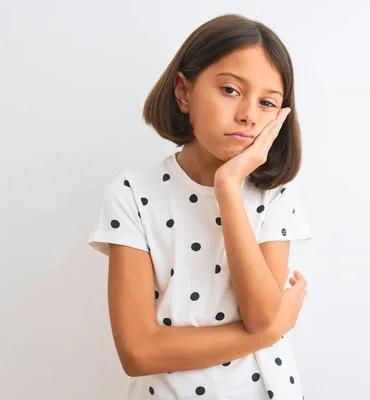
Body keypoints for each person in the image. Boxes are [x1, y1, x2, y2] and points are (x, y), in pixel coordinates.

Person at [87, 13, 313, 400]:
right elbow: (138, 352)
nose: (247, 113)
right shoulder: (132, 195)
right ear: (184, 92)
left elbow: (259, 314)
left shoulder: (275, 198)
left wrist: (228, 186)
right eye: (229, 90)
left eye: (266, 103)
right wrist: (276, 330)